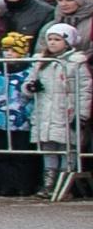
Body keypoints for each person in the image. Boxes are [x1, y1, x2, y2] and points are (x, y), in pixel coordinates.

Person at [22, 23, 86, 194]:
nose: (52, 43)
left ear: (68, 42)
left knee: (67, 148)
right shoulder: (41, 62)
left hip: (66, 112)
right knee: (48, 149)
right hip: (45, 112)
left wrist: (82, 115)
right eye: (49, 39)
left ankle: (64, 184)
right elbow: (27, 84)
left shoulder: (76, 63)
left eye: (57, 39)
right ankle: (49, 183)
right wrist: (30, 87)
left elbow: (85, 90)